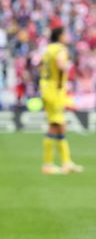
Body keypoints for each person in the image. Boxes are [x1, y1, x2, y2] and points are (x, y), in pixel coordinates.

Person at [40, 20, 83, 174]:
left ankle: (65, 162)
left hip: (46, 88)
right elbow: (60, 65)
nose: (67, 36)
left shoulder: (47, 49)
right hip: (55, 90)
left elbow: (42, 65)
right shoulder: (60, 49)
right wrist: (67, 69)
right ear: (60, 36)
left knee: (58, 126)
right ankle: (49, 164)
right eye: (65, 34)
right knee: (56, 125)